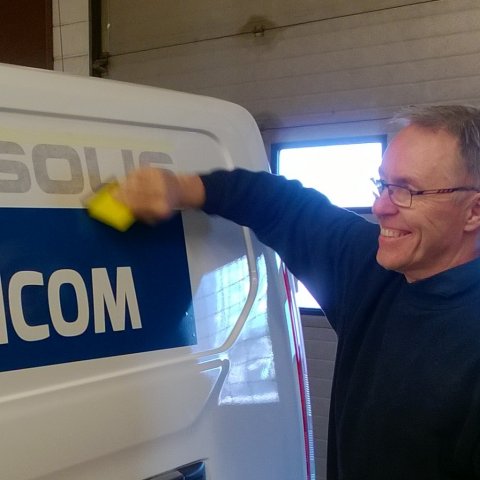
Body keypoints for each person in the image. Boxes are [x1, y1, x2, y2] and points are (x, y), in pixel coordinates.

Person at [116, 105, 480, 479]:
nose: (380, 206)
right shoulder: (371, 268)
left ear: (473, 211)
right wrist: (179, 188)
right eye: (383, 184)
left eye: (407, 191)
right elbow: (282, 205)